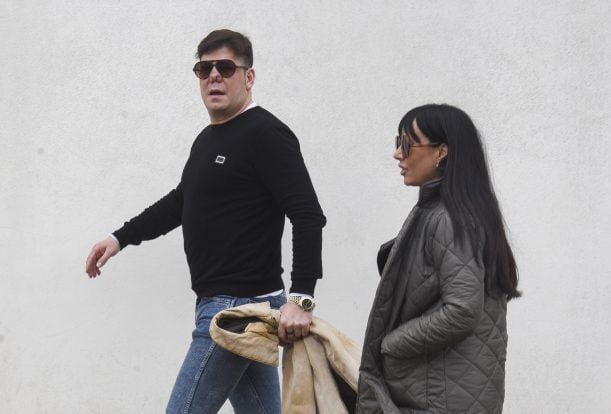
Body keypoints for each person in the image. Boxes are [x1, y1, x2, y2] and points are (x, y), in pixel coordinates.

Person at [84, 29, 326, 414]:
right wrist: (119, 238)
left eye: (226, 67)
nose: (214, 76)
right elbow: (182, 202)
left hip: (236, 310)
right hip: (229, 305)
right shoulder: (208, 140)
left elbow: (308, 214)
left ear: (249, 77)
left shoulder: (267, 134)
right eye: (204, 68)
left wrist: (302, 297)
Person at [357, 104, 520, 413]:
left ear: (441, 151)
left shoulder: (448, 219)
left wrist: (391, 344)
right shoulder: (453, 212)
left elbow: (461, 311)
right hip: (446, 391)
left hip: (439, 399)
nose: (397, 154)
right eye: (397, 142)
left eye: (406, 143)